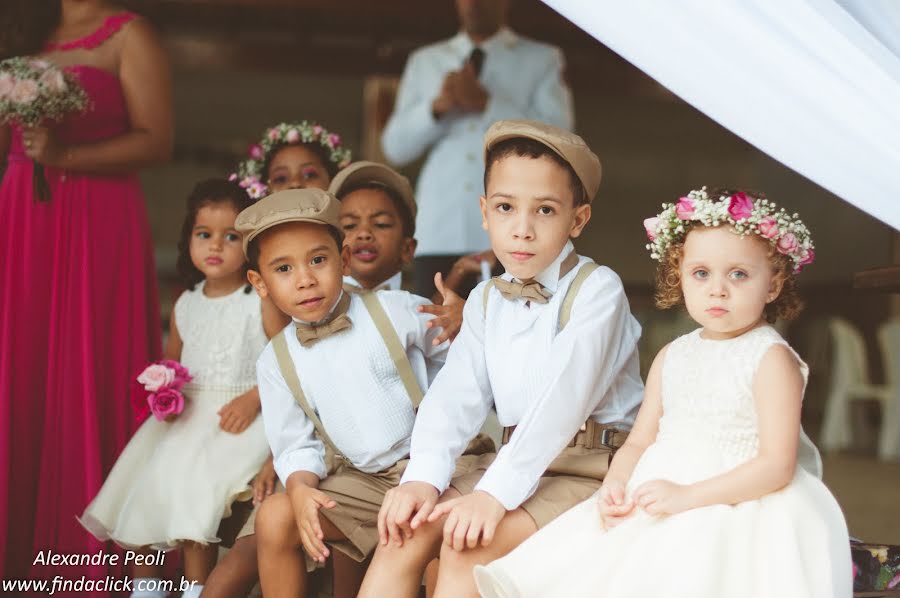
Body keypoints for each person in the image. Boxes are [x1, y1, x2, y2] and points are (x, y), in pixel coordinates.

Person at [474, 188, 851, 598]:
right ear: (680, 276)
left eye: (739, 274)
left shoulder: (770, 358)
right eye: (701, 273)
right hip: (660, 491)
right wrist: (615, 484)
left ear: (774, 284)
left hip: (737, 501)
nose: (718, 289)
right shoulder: (673, 355)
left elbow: (776, 465)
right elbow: (640, 440)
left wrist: (688, 497)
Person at [358, 120, 644, 598]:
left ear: (578, 219)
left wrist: (494, 494)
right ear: (485, 212)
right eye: (506, 207)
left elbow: (562, 402)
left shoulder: (598, 290)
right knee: (404, 532)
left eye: (546, 210)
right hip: (516, 460)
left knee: (467, 546)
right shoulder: (486, 299)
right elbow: (455, 396)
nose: (523, 229)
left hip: (588, 465)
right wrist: (423, 477)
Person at [0, 0, 172, 585]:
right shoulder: (25, 29)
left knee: (87, 361)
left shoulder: (131, 34)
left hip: (98, 215)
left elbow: (157, 141)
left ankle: (84, 563)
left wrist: (65, 154)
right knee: (21, 365)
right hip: (26, 211)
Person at [233, 187, 452, 597]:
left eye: (318, 260)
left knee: (442, 542)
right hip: (365, 484)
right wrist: (299, 489)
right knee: (275, 515)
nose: (305, 279)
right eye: (283, 269)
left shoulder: (395, 310)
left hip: (435, 468)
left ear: (343, 260)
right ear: (259, 284)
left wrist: (458, 322)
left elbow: (458, 361)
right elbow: (294, 444)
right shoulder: (277, 360)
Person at [78, 179, 271, 598]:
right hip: (190, 416)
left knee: (193, 491)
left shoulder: (259, 299)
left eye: (231, 236)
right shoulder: (187, 302)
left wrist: (254, 397)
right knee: (145, 486)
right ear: (189, 240)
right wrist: (164, 392)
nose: (215, 245)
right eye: (204, 234)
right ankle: (145, 589)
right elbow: (173, 365)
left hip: (240, 419)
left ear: (251, 243)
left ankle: (194, 590)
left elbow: (285, 361)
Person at [202, 120, 353, 597]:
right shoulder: (277, 293)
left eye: (309, 175)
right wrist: (280, 457)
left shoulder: (371, 296)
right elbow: (285, 383)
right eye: (281, 179)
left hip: (367, 462)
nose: (295, 187)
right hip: (300, 451)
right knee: (247, 554)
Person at [381, 0, 574, 300]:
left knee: (509, 327)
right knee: (435, 330)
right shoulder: (426, 60)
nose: (474, 3)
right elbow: (395, 147)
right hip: (438, 226)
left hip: (515, 228)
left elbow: (562, 137)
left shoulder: (541, 59)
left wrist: (488, 104)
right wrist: (436, 108)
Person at [330, 160, 464, 344]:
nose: (364, 233)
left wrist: (468, 323)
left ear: (407, 249)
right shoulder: (315, 312)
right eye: (349, 225)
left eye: (381, 224)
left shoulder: (420, 314)